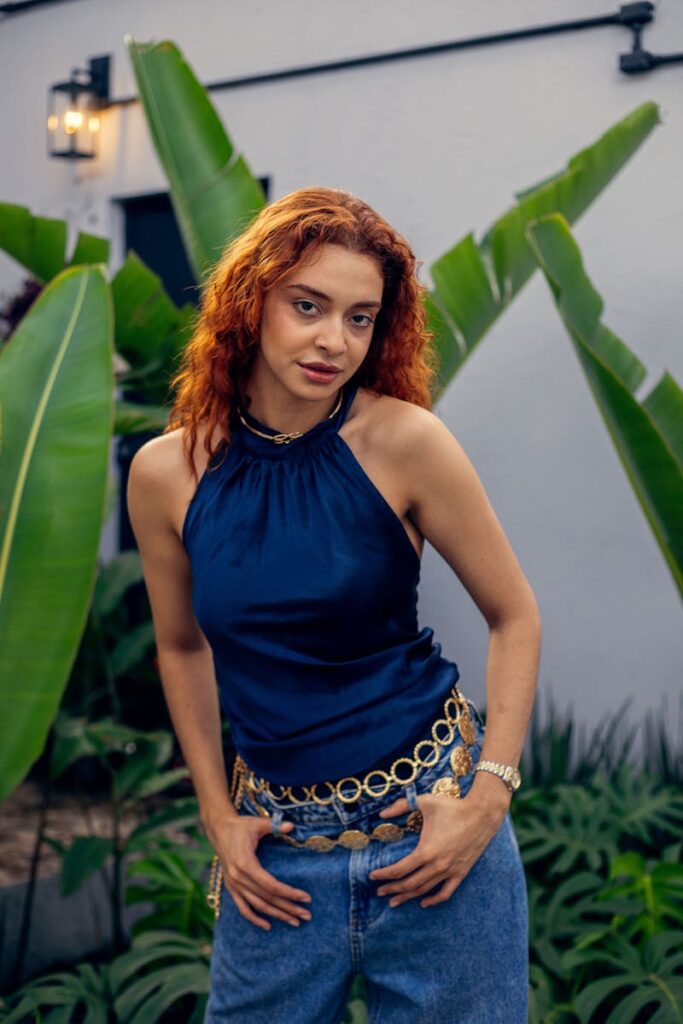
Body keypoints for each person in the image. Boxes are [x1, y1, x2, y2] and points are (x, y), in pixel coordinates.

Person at [127, 186, 542, 1024]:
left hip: (435, 837)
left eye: (360, 318)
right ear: (251, 305)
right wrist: (215, 812)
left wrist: (487, 797)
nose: (333, 341)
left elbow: (515, 617)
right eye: (306, 306)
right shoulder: (166, 473)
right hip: (276, 861)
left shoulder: (406, 442)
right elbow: (181, 647)